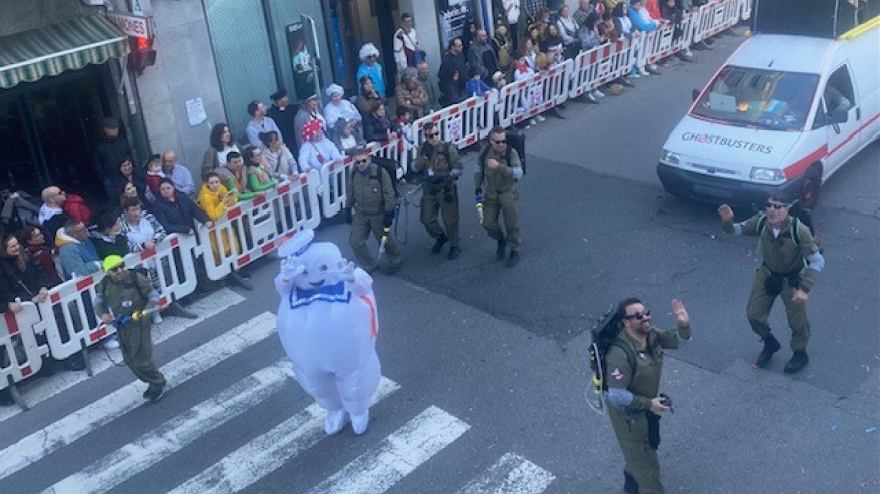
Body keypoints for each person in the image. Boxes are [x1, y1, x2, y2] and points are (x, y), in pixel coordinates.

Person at [274, 229, 381, 435]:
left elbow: (364, 288)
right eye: (305, 272)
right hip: (309, 354)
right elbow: (281, 287)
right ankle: (335, 409)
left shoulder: (343, 277)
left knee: (355, 381)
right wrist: (286, 278)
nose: (314, 277)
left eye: (323, 267)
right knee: (318, 385)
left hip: (347, 351)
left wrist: (351, 280)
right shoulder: (293, 288)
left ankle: (358, 409)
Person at [718, 196, 824, 374]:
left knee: (798, 323)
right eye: (769, 205)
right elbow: (735, 230)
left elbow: (817, 261)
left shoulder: (799, 230)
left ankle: (800, 354)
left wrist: (804, 288)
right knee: (754, 315)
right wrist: (727, 222)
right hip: (768, 274)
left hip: (792, 280)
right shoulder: (761, 222)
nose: (772, 210)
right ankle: (769, 343)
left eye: (778, 206)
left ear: (787, 209)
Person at [604, 297, 691, 494]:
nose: (645, 318)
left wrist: (684, 326)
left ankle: (631, 482)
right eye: (638, 316)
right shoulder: (619, 354)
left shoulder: (649, 335)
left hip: (643, 409)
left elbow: (679, 342)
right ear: (626, 322)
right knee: (649, 472)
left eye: (646, 312)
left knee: (639, 453)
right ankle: (638, 481)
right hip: (630, 418)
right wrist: (648, 404)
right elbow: (616, 396)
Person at [94, 255, 166, 403]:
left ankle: (158, 383)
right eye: (115, 269)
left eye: (122, 266)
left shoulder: (136, 278)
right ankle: (152, 382)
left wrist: (146, 311)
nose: (120, 271)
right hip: (121, 324)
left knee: (142, 359)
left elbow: (153, 296)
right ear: (108, 272)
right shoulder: (104, 284)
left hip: (139, 323)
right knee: (129, 360)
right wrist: (103, 314)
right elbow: (98, 302)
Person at [345, 148, 403, 275]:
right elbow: (351, 191)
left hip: (378, 213)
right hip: (361, 213)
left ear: (369, 160)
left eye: (363, 161)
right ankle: (369, 265)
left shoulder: (380, 173)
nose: (361, 165)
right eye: (357, 162)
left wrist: (388, 212)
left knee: (385, 241)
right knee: (355, 242)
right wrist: (347, 208)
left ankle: (396, 260)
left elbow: (389, 193)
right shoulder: (354, 173)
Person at [412, 122, 462, 260]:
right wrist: (424, 158)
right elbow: (415, 167)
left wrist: (446, 176)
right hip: (429, 189)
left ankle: (454, 245)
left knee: (450, 220)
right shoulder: (423, 149)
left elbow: (458, 168)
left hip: (445, 188)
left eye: (436, 134)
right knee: (426, 219)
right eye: (430, 136)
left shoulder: (447, 148)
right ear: (425, 137)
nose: (434, 138)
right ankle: (440, 236)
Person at [475, 127, 524, 267]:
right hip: (491, 192)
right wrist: (477, 186)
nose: (501, 144)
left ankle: (514, 249)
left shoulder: (510, 152)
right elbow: (478, 170)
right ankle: (500, 239)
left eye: (503, 141)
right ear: (491, 141)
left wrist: (500, 167)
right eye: (497, 142)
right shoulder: (485, 152)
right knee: (487, 223)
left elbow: (518, 173)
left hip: (507, 191)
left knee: (511, 224)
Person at [198, 172, 252, 290]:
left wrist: (230, 199)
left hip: (225, 225)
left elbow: (232, 199)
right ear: (207, 183)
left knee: (233, 246)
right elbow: (213, 215)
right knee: (218, 252)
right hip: (213, 230)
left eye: (217, 182)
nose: (215, 185)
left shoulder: (221, 188)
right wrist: (224, 204)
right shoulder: (205, 197)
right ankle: (223, 277)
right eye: (212, 183)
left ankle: (235, 270)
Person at [118, 197, 168, 320]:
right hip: (139, 266)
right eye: (133, 210)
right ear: (126, 211)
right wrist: (142, 246)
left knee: (161, 284)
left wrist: (153, 241)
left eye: (138, 209)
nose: (136, 213)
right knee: (146, 289)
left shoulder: (148, 218)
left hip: (157, 260)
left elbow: (161, 231)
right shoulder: (121, 226)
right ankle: (152, 313)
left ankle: (167, 306)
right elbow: (125, 246)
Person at [92, 117, 133, 200]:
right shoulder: (100, 146)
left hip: (126, 176)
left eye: (116, 128)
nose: (115, 130)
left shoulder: (123, 142)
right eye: (112, 128)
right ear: (105, 129)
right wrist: (105, 179)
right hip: (111, 179)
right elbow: (97, 165)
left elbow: (129, 156)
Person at [438, 38, 468, 107]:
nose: (461, 47)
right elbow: (441, 75)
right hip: (454, 90)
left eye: (461, 45)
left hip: (463, 86)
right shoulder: (447, 60)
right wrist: (452, 80)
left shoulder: (460, 55)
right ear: (452, 47)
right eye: (459, 46)